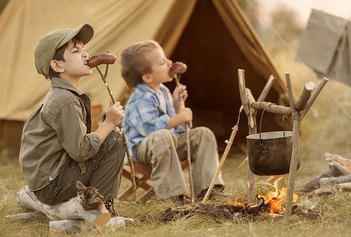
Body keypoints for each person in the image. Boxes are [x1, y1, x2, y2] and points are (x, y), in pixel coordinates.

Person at [19, 24, 126, 219]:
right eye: (76, 51)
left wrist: (108, 127)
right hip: (52, 186)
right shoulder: (64, 100)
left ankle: (93, 204)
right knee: (114, 141)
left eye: (84, 50)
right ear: (58, 66)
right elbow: (80, 150)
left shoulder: (63, 95)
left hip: (47, 181)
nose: (86, 55)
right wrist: (108, 123)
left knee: (110, 138)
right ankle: (99, 208)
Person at [120, 40, 224, 205]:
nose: (169, 63)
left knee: (203, 134)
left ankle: (208, 189)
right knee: (162, 135)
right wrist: (179, 118)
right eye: (162, 62)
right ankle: (174, 197)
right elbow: (152, 129)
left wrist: (177, 106)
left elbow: (180, 129)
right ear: (148, 77)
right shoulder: (140, 98)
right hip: (143, 150)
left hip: (168, 143)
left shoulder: (164, 92)